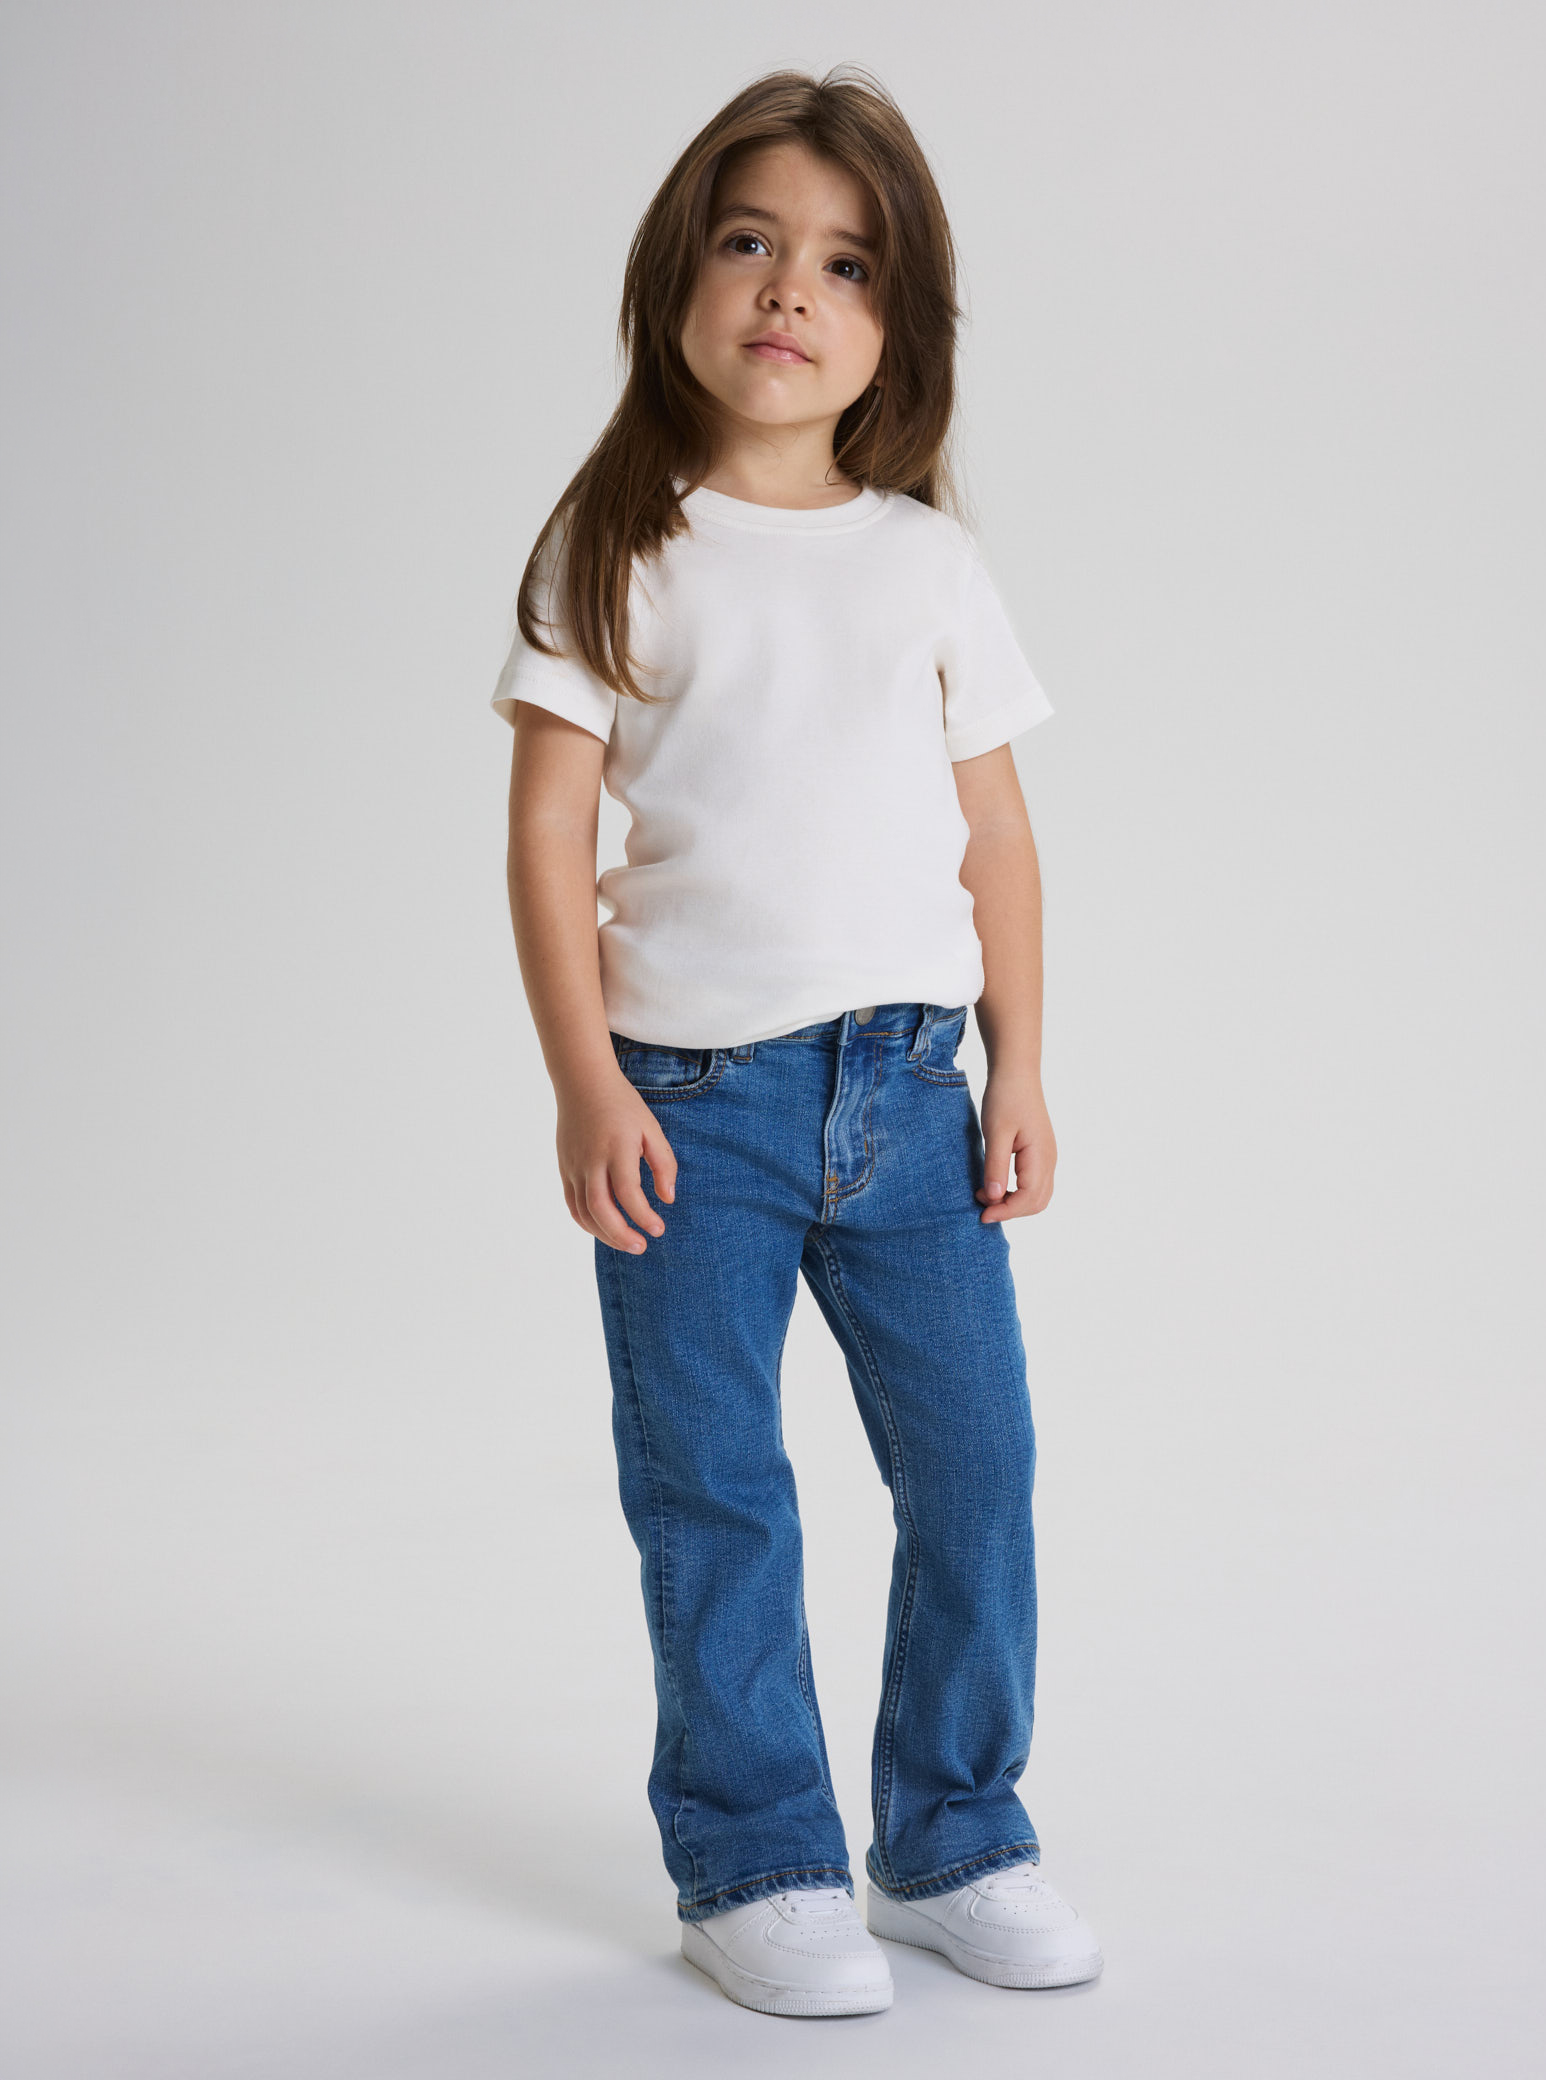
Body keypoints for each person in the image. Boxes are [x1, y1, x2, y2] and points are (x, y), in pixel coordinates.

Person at [491, 65, 1102, 2018]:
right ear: (674, 276)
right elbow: (546, 828)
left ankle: (953, 1834)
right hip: (691, 1108)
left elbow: (996, 833)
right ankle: (753, 1857)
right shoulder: (621, 539)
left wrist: (1017, 1063)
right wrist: (584, 1078)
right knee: (718, 1489)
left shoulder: (923, 558)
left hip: (912, 1095)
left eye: (845, 264)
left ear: (895, 328)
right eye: (749, 242)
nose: (788, 290)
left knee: (976, 1465)